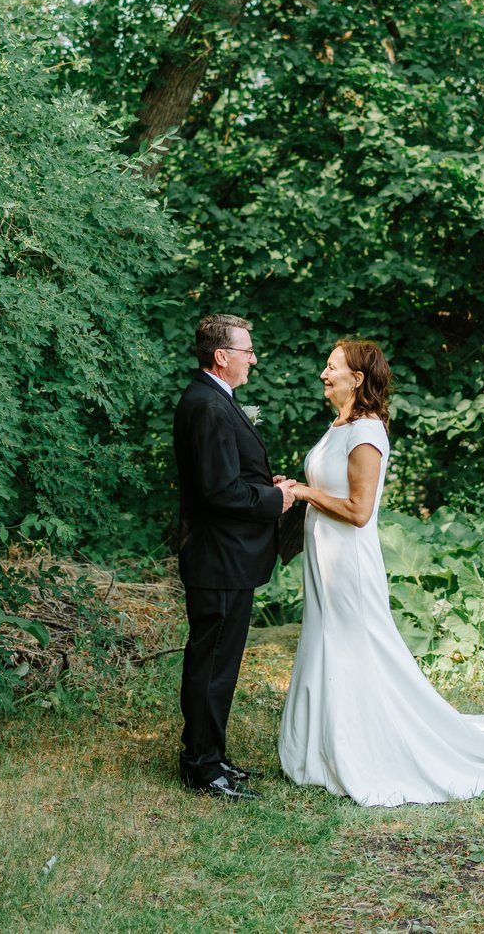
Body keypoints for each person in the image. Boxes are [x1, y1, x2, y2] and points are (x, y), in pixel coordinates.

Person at [274, 338, 484, 806]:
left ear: (358, 378)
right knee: (325, 642)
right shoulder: (338, 425)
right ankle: (320, 748)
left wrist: (305, 493)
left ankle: (368, 746)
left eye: (332, 368)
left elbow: (359, 511)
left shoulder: (367, 433)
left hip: (347, 562)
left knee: (356, 647)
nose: (323, 375)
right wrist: (293, 489)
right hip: (323, 559)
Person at [172, 313, 297, 800]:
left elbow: (223, 477)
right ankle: (202, 768)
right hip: (218, 559)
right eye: (247, 351)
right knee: (212, 665)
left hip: (225, 558)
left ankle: (211, 755)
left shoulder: (214, 399)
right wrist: (275, 501)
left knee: (219, 663)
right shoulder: (206, 405)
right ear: (222, 356)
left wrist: (262, 486)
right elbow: (216, 492)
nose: (254, 359)